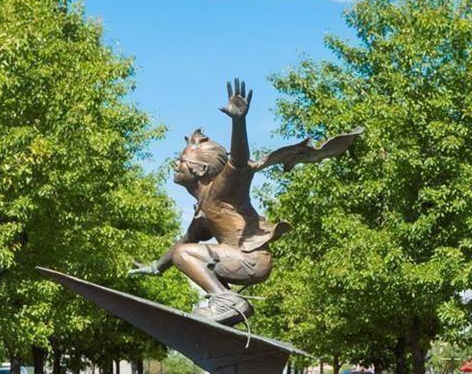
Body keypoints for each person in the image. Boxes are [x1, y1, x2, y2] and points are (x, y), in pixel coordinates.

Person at [131, 79, 359, 324]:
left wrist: (238, 122)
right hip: (238, 259)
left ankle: (227, 300)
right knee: (184, 251)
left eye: (181, 161)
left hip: (250, 259)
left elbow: (239, 161)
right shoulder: (203, 208)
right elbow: (185, 240)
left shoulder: (223, 189)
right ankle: (222, 301)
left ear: (200, 170)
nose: (175, 165)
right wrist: (156, 266)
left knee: (184, 254)